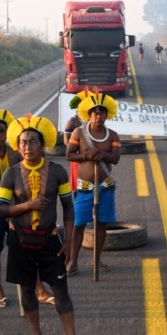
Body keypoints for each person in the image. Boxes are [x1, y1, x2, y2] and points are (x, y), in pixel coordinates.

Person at [0, 116, 92, 335]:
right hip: (20, 241)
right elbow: (0, 208)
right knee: (28, 290)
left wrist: (68, 240)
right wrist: (28, 206)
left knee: (61, 289)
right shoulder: (11, 174)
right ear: (17, 146)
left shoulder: (58, 172)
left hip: (50, 240)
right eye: (23, 143)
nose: (28, 147)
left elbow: (68, 207)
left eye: (33, 142)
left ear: (43, 145)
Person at [0, 108, 53, 308]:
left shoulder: (16, 152)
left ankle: (39, 289)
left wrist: (19, 208)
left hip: (19, 209)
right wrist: (3, 208)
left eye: (3, 131)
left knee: (27, 249)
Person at [65, 91, 122, 276]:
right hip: (84, 188)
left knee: (102, 224)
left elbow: (115, 159)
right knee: (79, 225)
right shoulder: (79, 133)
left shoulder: (113, 135)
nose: (99, 116)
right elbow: (68, 155)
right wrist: (85, 155)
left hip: (105, 186)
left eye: (102, 112)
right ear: (89, 115)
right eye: (95, 113)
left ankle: (96, 261)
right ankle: (73, 263)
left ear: (107, 115)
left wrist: (102, 154)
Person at [63, 94, 84, 188]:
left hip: (94, 161)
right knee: (79, 189)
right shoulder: (72, 122)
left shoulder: (93, 121)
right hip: (78, 160)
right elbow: (67, 143)